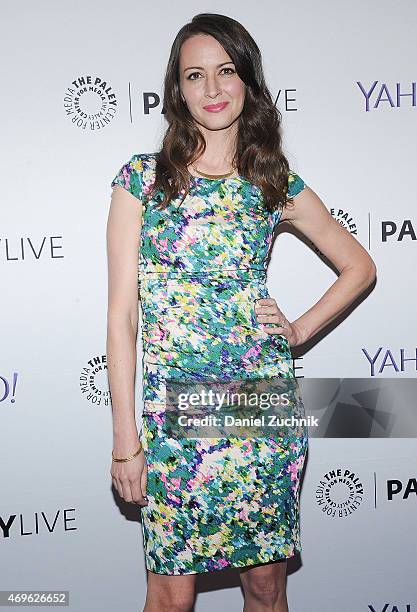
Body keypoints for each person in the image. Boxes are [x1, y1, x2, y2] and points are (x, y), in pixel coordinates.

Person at [106, 12, 376, 612]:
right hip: (173, 413)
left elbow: (360, 266)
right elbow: (122, 318)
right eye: (194, 75)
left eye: (225, 71)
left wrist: (299, 329)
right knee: (170, 597)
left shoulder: (271, 180)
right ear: (177, 90)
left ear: (247, 81)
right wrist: (126, 438)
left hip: (259, 407)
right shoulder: (141, 182)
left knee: (265, 587)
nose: (211, 89)